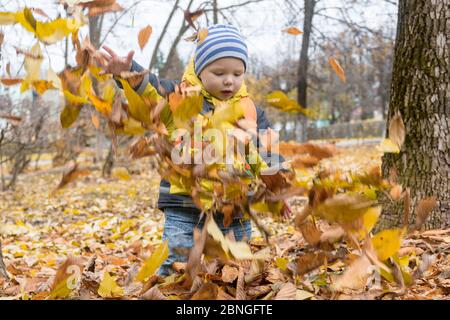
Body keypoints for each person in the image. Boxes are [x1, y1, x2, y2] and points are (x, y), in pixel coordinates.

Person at [94, 24, 291, 276]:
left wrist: (279, 189)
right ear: (199, 68)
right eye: (218, 72)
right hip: (184, 202)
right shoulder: (179, 98)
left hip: (235, 205)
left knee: (235, 266)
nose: (229, 79)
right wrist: (128, 72)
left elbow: (267, 153)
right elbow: (150, 88)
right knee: (177, 261)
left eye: (237, 73)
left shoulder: (250, 110)